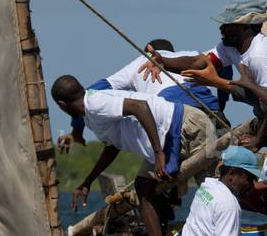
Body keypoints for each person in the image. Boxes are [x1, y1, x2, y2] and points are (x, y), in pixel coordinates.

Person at [50, 75, 216, 236]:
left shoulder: (95, 104)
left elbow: (140, 107)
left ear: (62, 105)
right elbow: (112, 146)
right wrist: (88, 181)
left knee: (213, 194)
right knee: (144, 186)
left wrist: (158, 154)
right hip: (168, 138)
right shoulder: (90, 114)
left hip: (187, 127)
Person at [57, 38, 221, 153]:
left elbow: (86, 96)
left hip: (172, 109)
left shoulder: (139, 62)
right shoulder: (190, 53)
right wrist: (222, 101)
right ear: (171, 51)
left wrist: (76, 131)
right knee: (222, 140)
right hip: (208, 103)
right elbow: (221, 69)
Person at [139, 0, 267, 109]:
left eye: (229, 24)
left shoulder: (260, 55)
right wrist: (163, 62)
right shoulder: (230, 46)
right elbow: (197, 63)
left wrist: (218, 82)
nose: (221, 28)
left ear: (246, 27)